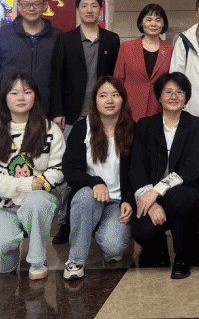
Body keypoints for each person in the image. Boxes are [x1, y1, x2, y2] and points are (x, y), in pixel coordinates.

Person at [0, 74, 65, 279]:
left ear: (35, 96)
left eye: (27, 92)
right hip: (0, 205)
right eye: (14, 93)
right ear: (5, 97)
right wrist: (24, 184)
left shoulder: (50, 129)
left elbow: (59, 169)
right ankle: (9, 248)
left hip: (38, 200)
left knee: (36, 202)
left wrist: (38, 186)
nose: (21, 97)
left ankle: (37, 260)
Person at [50, 0, 120, 243]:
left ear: (100, 10)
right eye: (84, 6)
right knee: (69, 171)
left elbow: (115, 77)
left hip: (103, 115)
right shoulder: (65, 39)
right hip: (72, 115)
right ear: (78, 9)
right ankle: (65, 223)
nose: (89, 10)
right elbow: (56, 76)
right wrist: (58, 111)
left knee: (103, 164)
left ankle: (99, 217)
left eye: (94, 6)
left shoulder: (111, 39)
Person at [130, 72, 199, 279]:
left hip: (185, 193)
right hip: (151, 193)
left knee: (176, 198)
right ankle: (159, 250)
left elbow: (190, 170)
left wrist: (157, 191)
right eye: (168, 92)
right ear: (159, 96)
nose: (174, 96)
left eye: (179, 92)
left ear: (186, 97)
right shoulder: (145, 125)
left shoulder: (196, 125)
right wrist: (151, 202)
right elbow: (136, 168)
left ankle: (183, 255)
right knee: (141, 229)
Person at [62, 77, 136, 281]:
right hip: (90, 196)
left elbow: (138, 173)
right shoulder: (82, 128)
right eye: (103, 95)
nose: (109, 100)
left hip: (117, 201)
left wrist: (129, 200)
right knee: (85, 197)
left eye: (115, 95)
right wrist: (94, 182)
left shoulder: (133, 130)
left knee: (113, 249)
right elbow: (70, 169)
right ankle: (76, 260)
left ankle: (98, 226)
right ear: (95, 100)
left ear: (123, 99)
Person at [0, 0, 62, 117]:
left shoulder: (57, 37)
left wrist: (59, 111)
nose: (31, 8)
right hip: (8, 112)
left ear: (44, 6)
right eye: (26, 4)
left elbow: (63, 77)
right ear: (19, 6)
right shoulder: (4, 34)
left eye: (36, 4)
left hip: (46, 112)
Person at [114, 3, 173, 122]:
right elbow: (118, 80)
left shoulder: (170, 50)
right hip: (130, 111)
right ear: (141, 22)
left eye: (158, 20)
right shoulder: (126, 47)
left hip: (159, 111)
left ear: (163, 24)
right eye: (149, 20)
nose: (153, 24)